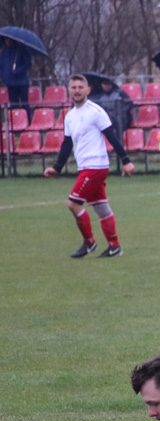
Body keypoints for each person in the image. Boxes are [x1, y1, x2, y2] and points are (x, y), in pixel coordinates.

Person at [44, 74, 134, 259]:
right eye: (73, 87)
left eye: (80, 87)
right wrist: (57, 168)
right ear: (69, 90)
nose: (77, 90)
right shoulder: (69, 116)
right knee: (101, 207)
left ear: (88, 90)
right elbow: (67, 143)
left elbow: (112, 136)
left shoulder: (96, 111)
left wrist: (126, 161)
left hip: (96, 165)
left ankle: (89, 243)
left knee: (73, 203)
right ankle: (114, 246)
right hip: (85, 166)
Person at [1, 37, 32, 119]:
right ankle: (15, 122)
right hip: (10, 83)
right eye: (6, 40)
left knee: (24, 104)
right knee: (14, 104)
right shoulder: (4, 52)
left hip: (22, 82)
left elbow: (28, 64)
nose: (7, 41)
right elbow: (1, 66)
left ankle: (27, 121)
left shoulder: (21, 50)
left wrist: (18, 71)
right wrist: (4, 76)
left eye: (8, 39)